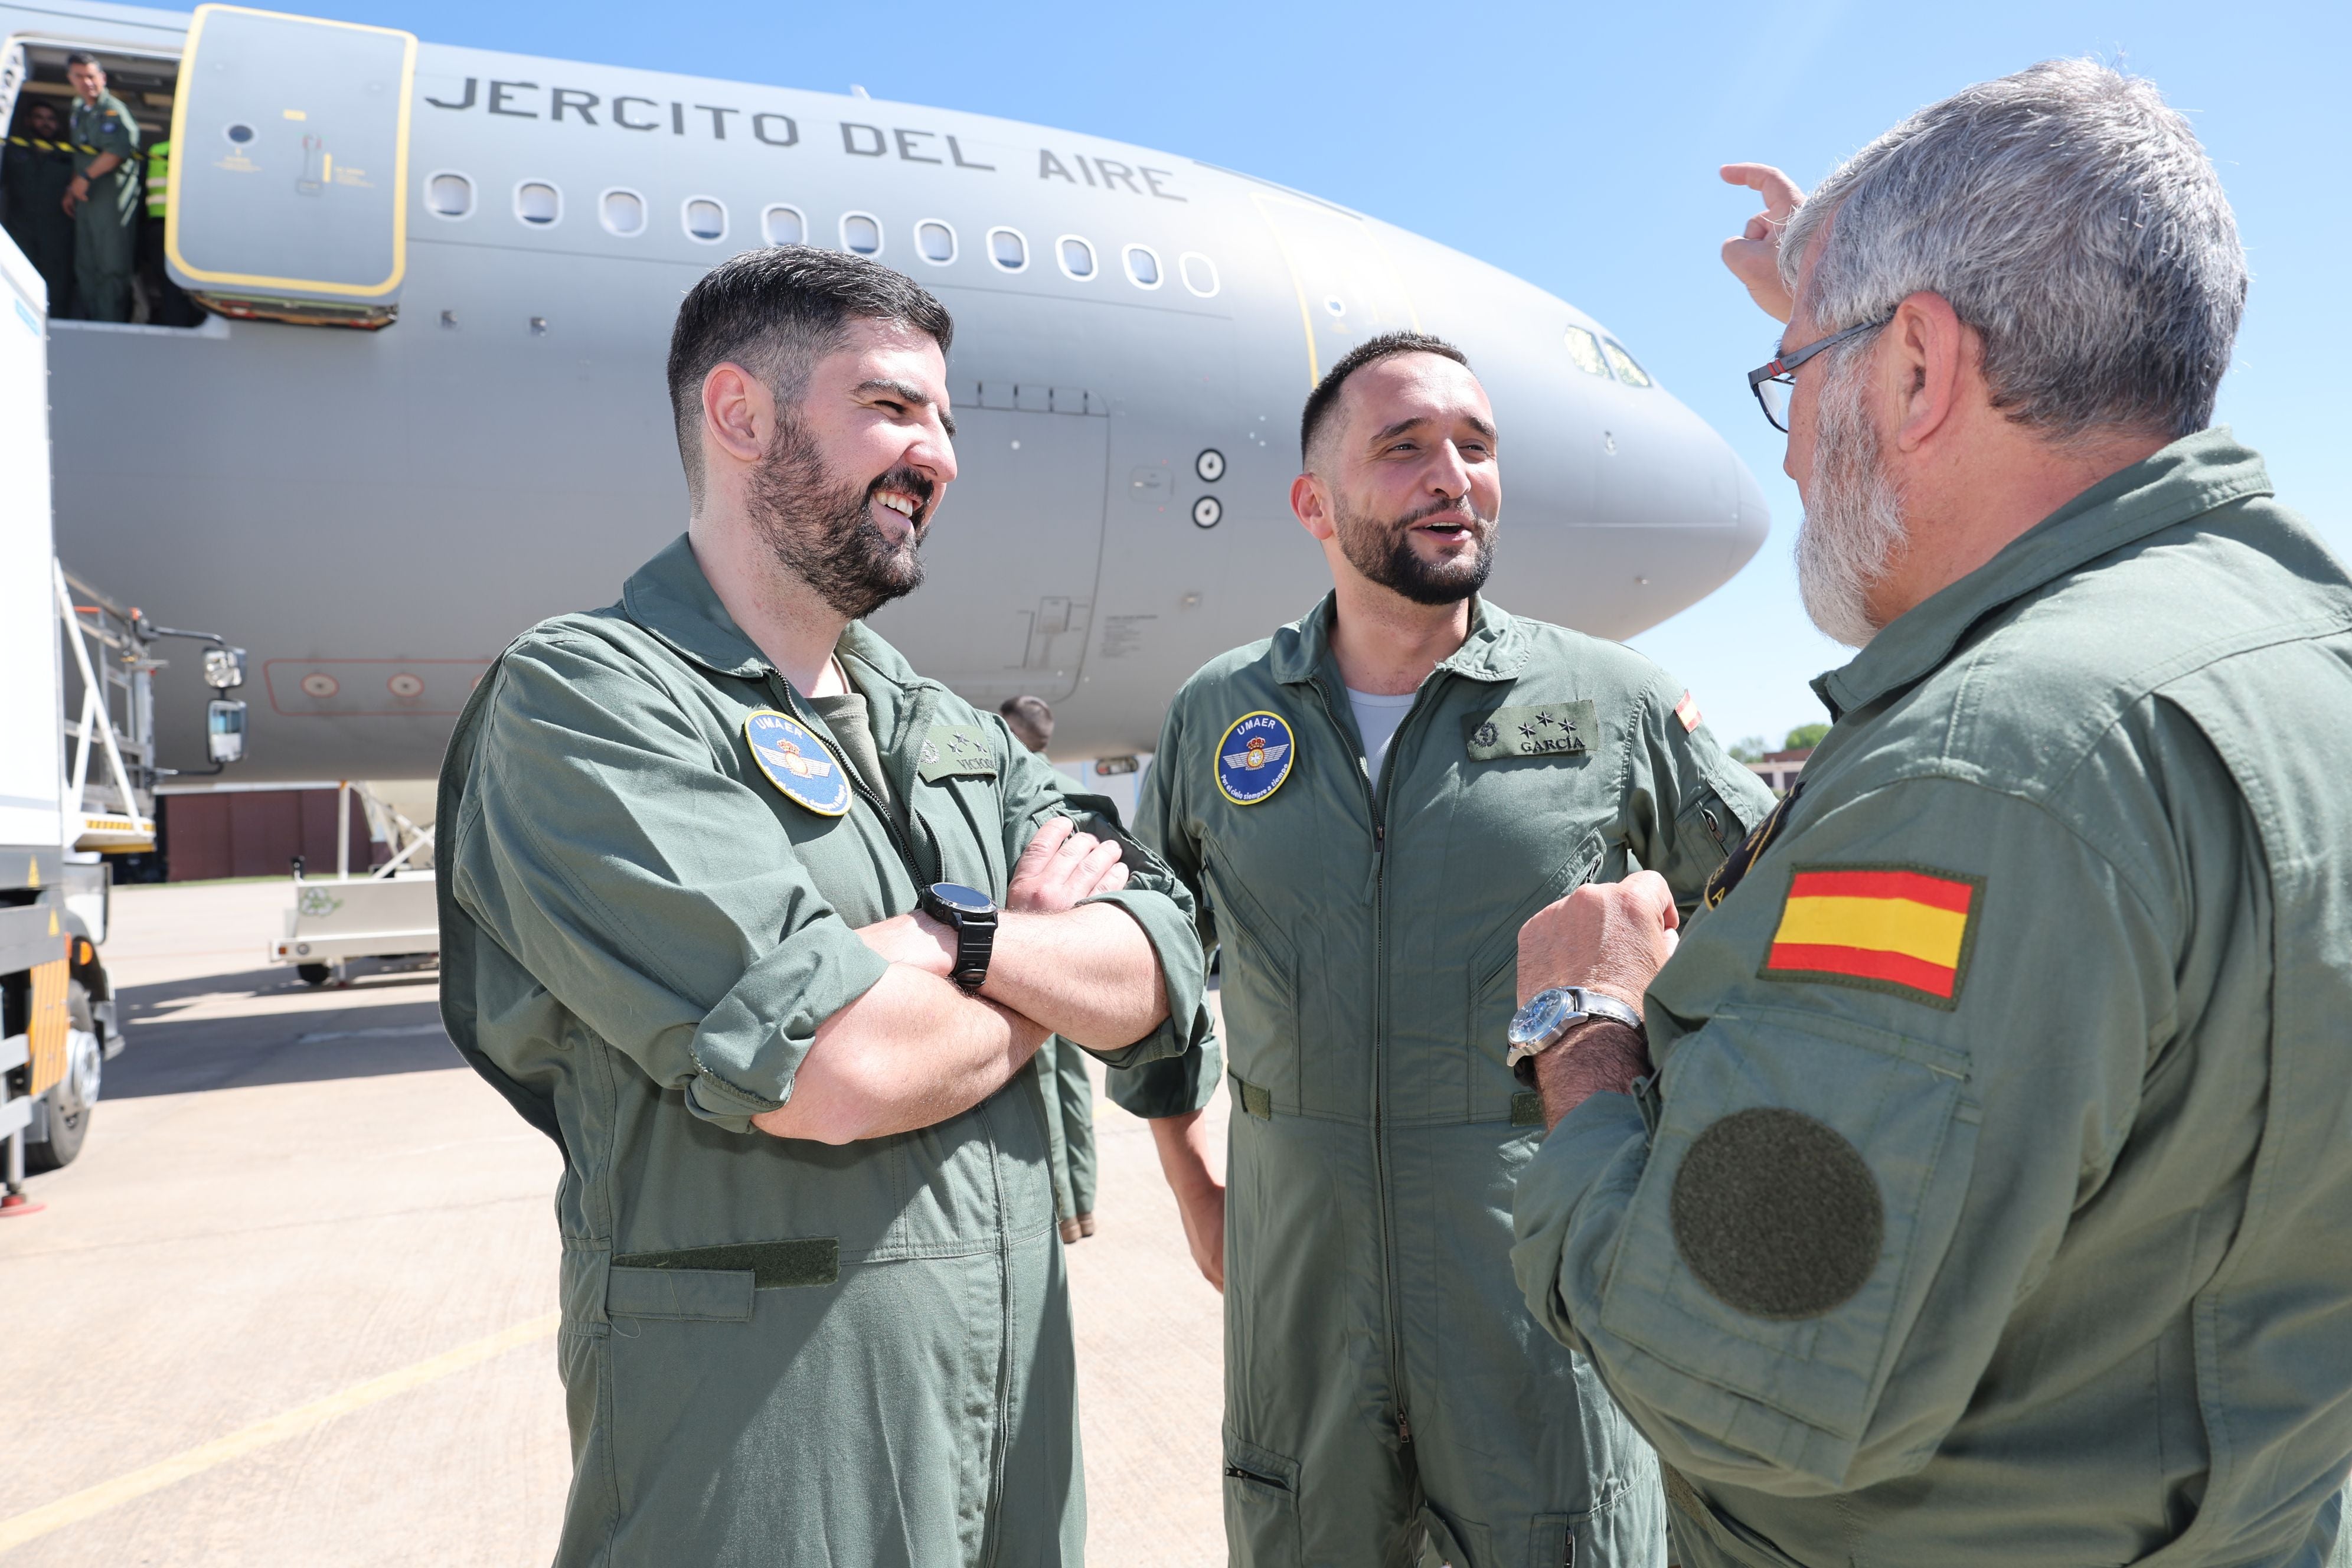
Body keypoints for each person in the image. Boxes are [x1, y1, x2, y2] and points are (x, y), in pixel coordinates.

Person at [1510, 61, 2352, 1568]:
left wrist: (1584, 1032)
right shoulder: (2298, 664)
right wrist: (1836, 285)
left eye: (1792, 372)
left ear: (1917, 370)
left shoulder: (1982, 772)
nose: (1784, 442)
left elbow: (1734, 1367)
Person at [436, 247, 1210, 1565]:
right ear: (741, 415)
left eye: (946, 423)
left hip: (1012, 1427)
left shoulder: (947, 725)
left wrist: (946, 943)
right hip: (768, 1457)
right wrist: (1030, 955)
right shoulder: (588, 698)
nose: (942, 457)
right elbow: (834, 1065)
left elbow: (1158, 962)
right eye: (895, 408)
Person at [1115, 329, 1774, 1566]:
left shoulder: (1613, 701)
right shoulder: (1221, 711)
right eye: (1406, 447)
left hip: (1534, 1285)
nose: (1452, 474)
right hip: (1301, 1298)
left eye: (1476, 445)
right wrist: (1194, 1177)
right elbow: (1151, 954)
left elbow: (1776, 920)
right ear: (1314, 501)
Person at [1001, 694, 1105, 1243]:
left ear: (1011, 730)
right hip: (1068, 958)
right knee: (1070, 1084)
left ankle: (1061, 1212)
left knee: (1039, 1082)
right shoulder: (1057, 785)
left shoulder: (1005, 781)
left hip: (1023, 959)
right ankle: (1082, 1206)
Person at [61, 54, 138, 323]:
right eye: (79, 77)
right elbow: (80, 153)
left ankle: (110, 324)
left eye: (92, 76)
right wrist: (73, 188)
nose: (87, 82)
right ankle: (91, 321)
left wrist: (84, 177)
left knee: (111, 267)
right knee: (86, 265)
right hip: (86, 200)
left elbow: (118, 151)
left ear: (103, 78)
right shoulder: (79, 109)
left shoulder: (113, 110)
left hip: (109, 200)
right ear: (71, 80)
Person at [4, 100, 79, 315]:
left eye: (51, 119)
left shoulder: (70, 154)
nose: (46, 124)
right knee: (18, 283)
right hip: (20, 231)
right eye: (39, 117)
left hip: (58, 233)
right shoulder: (13, 149)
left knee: (57, 289)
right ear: (28, 121)